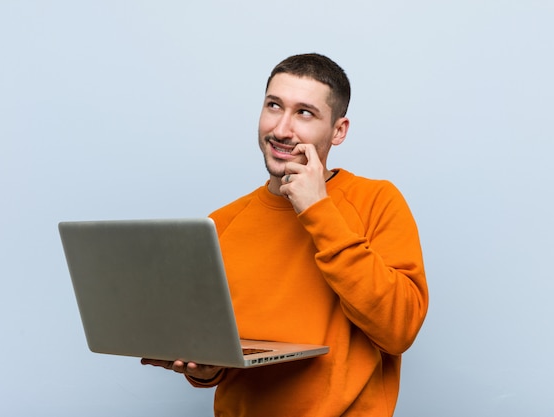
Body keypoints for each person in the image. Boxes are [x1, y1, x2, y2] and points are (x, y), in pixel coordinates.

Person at [142, 53, 429, 416]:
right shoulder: (222, 223)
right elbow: (220, 349)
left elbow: (398, 330)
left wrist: (317, 210)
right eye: (274, 106)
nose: (281, 129)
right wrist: (206, 371)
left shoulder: (377, 201)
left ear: (338, 130)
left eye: (304, 113)